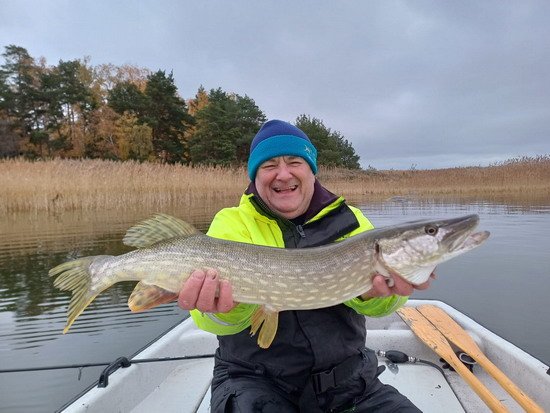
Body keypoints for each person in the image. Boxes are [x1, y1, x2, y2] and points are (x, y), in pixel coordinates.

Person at [178, 120, 433, 412]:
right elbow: (209, 322)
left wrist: (374, 295)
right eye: (269, 164)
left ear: (311, 170)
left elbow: (384, 308)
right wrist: (228, 308)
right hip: (253, 381)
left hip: (351, 384)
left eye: (294, 161)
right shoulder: (232, 223)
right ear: (255, 176)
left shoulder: (350, 221)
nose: (283, 173)